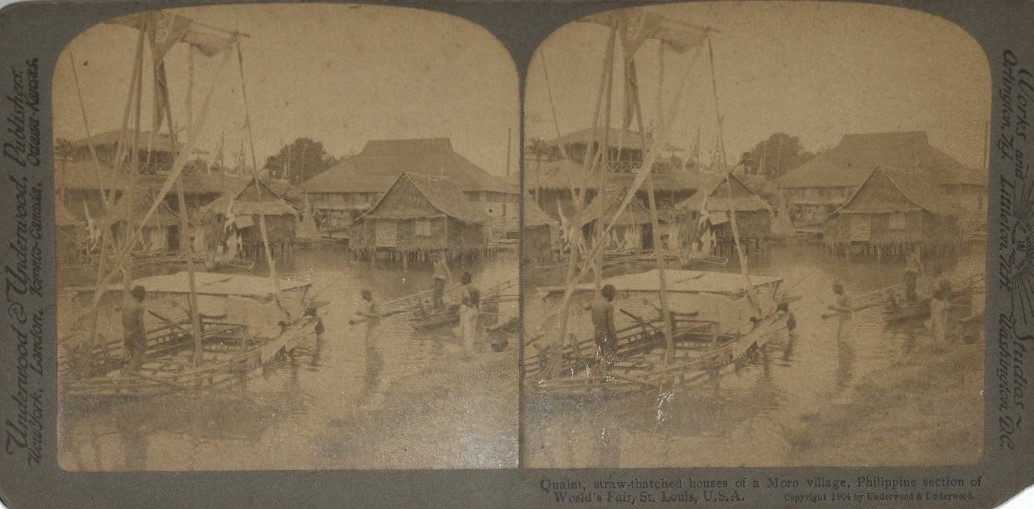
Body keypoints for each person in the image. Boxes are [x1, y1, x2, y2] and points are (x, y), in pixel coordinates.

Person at [590, 284, 618, 367]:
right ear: (610, 295)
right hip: (606, 334)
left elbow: (594, 321)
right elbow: (610, 324)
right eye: (613, 295)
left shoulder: (594, 304)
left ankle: (602, 373)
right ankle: (607, 374)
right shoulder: (609, 306)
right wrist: (615, 337)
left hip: (597, 333)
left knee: (601, 355)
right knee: (609, 356)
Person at [121, 285, 147, 371]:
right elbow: (141, 326)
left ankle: (129, 376)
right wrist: (144, 341)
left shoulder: (124, 305)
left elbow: (124, 322)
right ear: (141, 296)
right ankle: (132, 378)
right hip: (135, 336)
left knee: (132, 358)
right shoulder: (139, 307)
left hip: (127, 336)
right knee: (139, 359)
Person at [456, 272, 480, 353]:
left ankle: (467, 352)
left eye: (462, 279)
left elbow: (466, 299)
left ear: (466, 279)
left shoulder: (464, 288)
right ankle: (470, 350)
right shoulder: (476, 287)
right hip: (475, 310)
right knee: (472, 332)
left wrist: (463, 306)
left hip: (467, 310)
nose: (461, 281)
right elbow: (477, 301)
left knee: (466, 332)